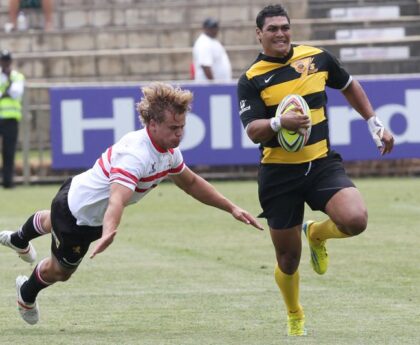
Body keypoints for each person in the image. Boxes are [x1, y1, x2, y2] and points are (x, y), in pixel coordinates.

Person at [0, 82, 263, 325]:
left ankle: (20, 238)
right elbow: (117, 197)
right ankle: (26, 292)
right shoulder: (135, 155)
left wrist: (232, 207)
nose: (180, 134)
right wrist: (110, 230)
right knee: (61, 271)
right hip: (79, 219)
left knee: (51, 220)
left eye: (182, 127)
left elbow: (191, 183)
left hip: (76, 196)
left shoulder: (168, 151)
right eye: (174, 128)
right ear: (152, 124)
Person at [237, 4, 394, 337]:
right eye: (272, 29)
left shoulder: (317, 57)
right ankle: (294, 313)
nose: (280, 33)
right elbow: (253, 131)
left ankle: (317, 233)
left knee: (355, 220)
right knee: (288, 260)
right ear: (259, 34)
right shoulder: (251, 79)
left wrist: (374, 123)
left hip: (321, 165)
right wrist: (281, 122)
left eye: (285, 27)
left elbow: (349, 84)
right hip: (278, 175)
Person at [0, 49, 25, 189]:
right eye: (3, 61)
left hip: (11, 119)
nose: (5, 64)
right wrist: (6, 92)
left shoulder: (17, 76)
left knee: (9, 152)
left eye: (7, 61)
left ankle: (8, 182)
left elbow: (16, 93)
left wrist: (6, 88)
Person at [192, 17, 232, 82]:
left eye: (215, 27)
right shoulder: (204, 42)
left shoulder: (212, 41)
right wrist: (213, 84)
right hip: (208, 87)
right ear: (205, 28)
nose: (214, 30)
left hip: (218, 86)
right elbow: (205, 66)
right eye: (211, 28)